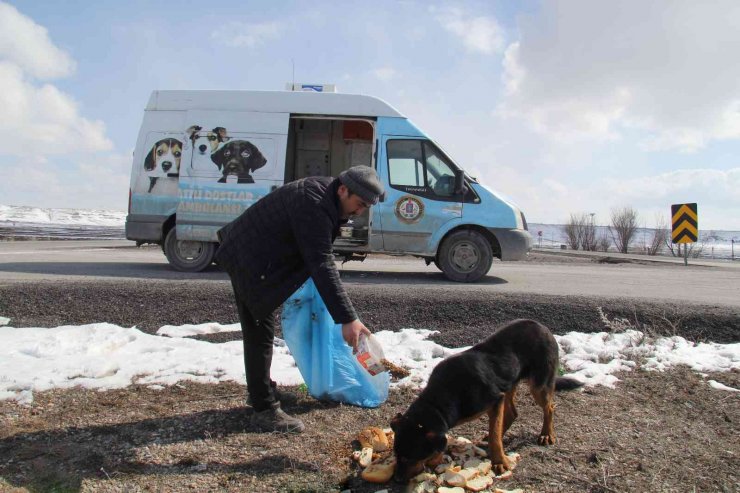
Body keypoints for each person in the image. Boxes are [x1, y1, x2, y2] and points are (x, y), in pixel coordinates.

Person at [215, 165, 384, 433]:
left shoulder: (327, 197)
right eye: (359, 204)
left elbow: (317, 255)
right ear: (343, 189)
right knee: (259, 331)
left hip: (258, 256)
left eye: (365, 207)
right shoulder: (315, 204)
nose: (359, 212)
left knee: (261, 329)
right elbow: (321, 261)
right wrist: (347, 319)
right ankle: (264, 408)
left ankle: (262, 391)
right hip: (248, 258)